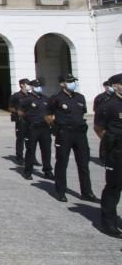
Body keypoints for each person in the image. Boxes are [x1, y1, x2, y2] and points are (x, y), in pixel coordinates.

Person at [47, 74, 97, 203]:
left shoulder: (80, 97)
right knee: (62, 163)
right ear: (62, 84)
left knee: (83, 163)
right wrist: (57, 127)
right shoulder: (55, 99)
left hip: (80, 134)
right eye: (70, 81)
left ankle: (87, 192)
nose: (73, 83)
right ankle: (60, 191)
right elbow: (48, 116)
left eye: (74, 81)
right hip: (64, 134)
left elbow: (82, 113)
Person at [94, 73, 122, 238]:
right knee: (114, 187)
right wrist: (112, 143)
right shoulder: (108, 105)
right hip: (116, 152)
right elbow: (98, 128)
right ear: (116, 86)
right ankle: (108, 222)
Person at [20, 78, 53, 181]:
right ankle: (28, 171)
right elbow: (21, 113)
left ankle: (47, 171)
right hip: (32, 127)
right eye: (36, 86)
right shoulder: (27, 99)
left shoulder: (46, 99)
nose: (39, 87)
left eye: (40, 85)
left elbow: (50, 113)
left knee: (46, 150)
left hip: (45, 128)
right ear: (32, 87)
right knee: (30, 150)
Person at [8, 79, 30, 165]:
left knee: (30, 140)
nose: (28, 85)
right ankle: (19, 156)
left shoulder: (30, 96)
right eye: (26, 84)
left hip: (30, 120)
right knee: (20, 139)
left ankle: (31, 157)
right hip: (20, 120)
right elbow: (10, 107)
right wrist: (18, 111)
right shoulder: (16, 96)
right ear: (21, 85)